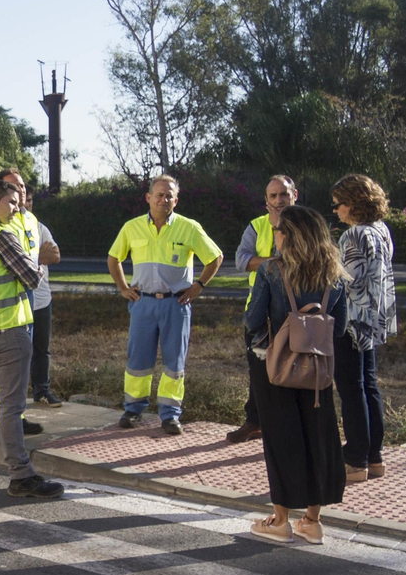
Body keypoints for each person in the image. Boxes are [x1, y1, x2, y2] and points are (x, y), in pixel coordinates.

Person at [244, 206, 349, 544]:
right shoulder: (335, 275)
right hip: (317, 369)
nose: (274, 235)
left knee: (281, 439)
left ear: (288, 235)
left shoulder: (272, 271)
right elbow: (342, 327)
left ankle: (280, 520)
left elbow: (253, 319)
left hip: (276, 366)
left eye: (277, 230)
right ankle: (313, 522)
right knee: (318, 438)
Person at [0, 179, 65, 499]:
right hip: (8, 331)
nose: (17, 208)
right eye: (12, 203)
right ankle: (20, 475)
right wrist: (42, 260)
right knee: (10, 406)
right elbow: (31, 279)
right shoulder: (1, 235)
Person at [107, 175, 224, 435]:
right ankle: (133, 409)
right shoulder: (132, 227)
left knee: (174, 362)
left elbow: (215, 257)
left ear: (176, 200)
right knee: (138, 360)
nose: (164, 199)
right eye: (159, 194)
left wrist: (199, 286)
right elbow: (114, 257)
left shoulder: (189, 227)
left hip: (176, 305)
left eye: (169, 195)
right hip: (143, 304)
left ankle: (170, 415)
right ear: (148, 198)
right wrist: (123, 288)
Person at [0, 169, 61, 443]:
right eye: (14, 187)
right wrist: (38, 258)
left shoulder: (32, 220)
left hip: (32, 301)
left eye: (23, 186)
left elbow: (52, 254)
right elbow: (24, 264)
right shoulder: (3, 223)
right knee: (4, 374)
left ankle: (17, 419)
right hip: (8, 308)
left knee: (21, 369)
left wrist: (37, 258)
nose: (21, 191)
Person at [331, 174, 397, 483]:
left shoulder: (354, 235)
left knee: (351, 389)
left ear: (354, 204)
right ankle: (374, 456)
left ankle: (355, 457)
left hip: (350, 320)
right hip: (372, 318)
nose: (336, 211)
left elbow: (346, 279)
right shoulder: (381, 230)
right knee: (369, 386)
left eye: (338, 204)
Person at [226, 175, 299, 444]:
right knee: (258, 372)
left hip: (297, 314)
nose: (279, 200)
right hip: (260, 315)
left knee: (296, 370)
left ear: (295, 195)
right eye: (273, 196)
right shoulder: (256, 226)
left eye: (284, 194)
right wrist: (277, 261)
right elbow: (241, 260)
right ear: (266, 200)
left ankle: (288, 427)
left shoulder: (308, 224)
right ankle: (254, 422)